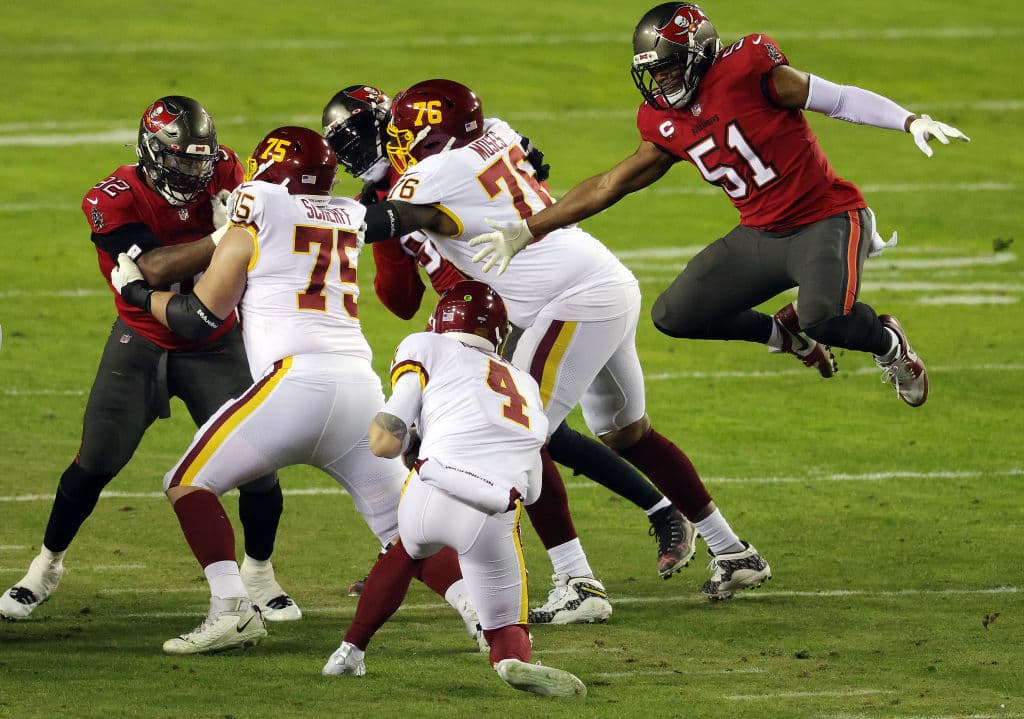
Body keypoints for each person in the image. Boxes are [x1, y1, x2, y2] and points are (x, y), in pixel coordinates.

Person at [355, 79, 770, 601]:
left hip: (572, 300)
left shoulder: (433, 174)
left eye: (405, 135)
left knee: (517, 434)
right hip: (600, 280)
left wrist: (325, 217)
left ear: (435, 137)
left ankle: (576, 582)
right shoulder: (496, 132)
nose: (396, 145)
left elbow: (398, 218)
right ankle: (733, 551)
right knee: (627, 434)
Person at [468, 2, 971, 408]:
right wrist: (527, 229)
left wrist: (908, 120)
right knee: (676, 315)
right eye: (655, 73)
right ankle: (785, 335)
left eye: (669, 69)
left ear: (700, 54)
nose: (663, 83)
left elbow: (836, 98)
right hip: (761, 234)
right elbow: (609, 185)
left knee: (826, 318)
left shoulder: (749, 70)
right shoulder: (663, 122)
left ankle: (890, 345)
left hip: (826, 219)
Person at [108, 126, 482, 654]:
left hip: (292, 384)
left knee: (187, 482)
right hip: (358, 388)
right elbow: (397, 216)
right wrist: (452, 216)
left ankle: (232, 610)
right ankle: (483, 616)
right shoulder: (347, 214)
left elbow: (197, 317)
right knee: (403, 529)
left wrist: (137, 292)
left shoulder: (258, 206)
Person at [0, 96, 298, 622]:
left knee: (258, 466)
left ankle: (259, 572)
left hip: (215, 342)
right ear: (152, 151)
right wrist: (225, 234)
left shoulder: (226, 168)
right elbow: (154, 270)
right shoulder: (112, 197)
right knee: (96, 459)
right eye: (180, 159)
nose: (194, 171)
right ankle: (45, 566)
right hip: (141, 339)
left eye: (200, 160)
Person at [323, 280, 586, 698]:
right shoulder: (525, 384)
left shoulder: (426, 346)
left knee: (404, 552)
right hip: (492, 510)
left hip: (432, 484)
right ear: (499, 335)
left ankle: (348, 652)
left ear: (439, 321)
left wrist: (403, 442)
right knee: (508, 627)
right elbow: (534, 489)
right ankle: (510, 660)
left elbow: (387, 437)